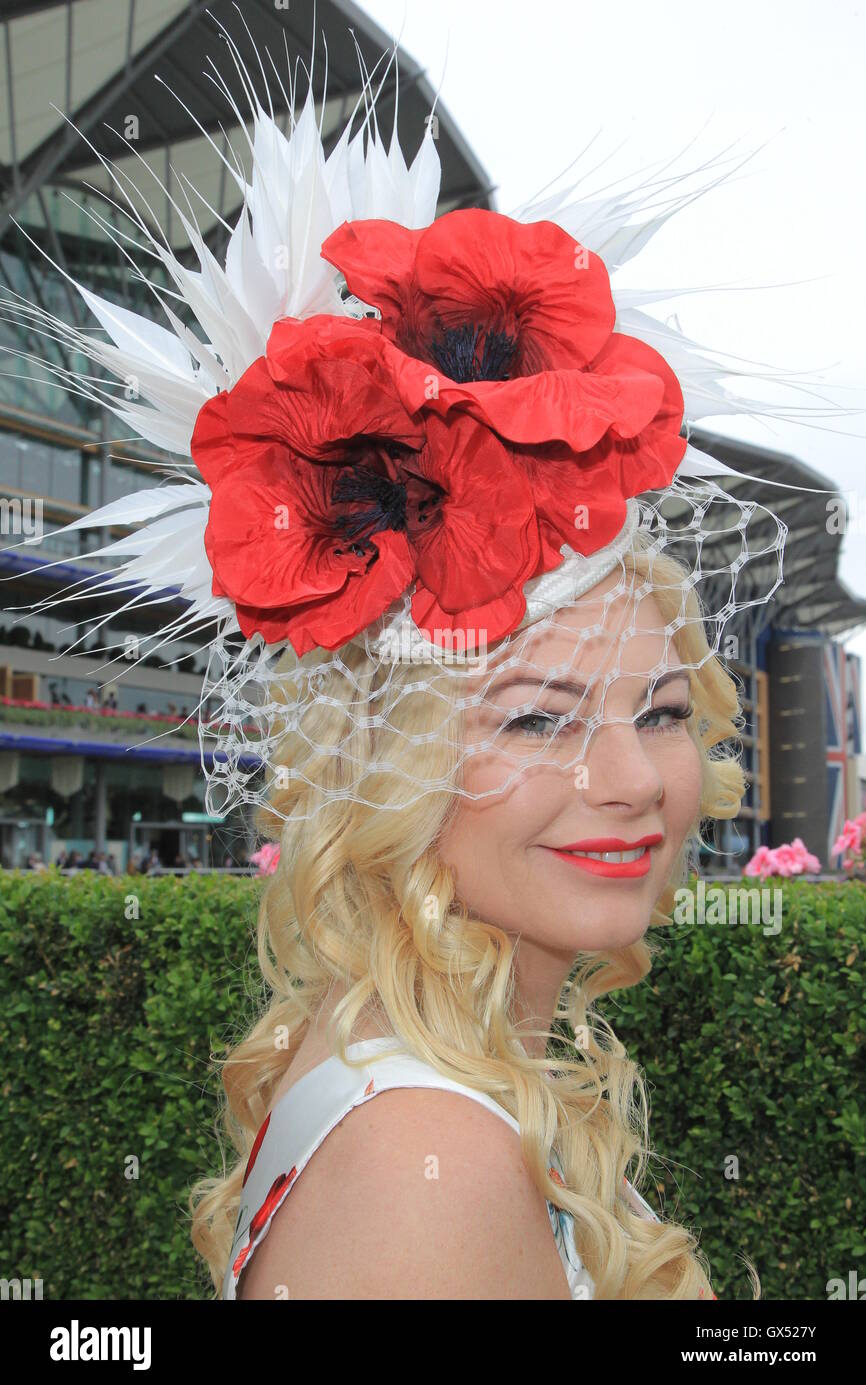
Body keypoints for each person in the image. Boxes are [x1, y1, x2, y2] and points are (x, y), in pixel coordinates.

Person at [2, 25, 836, 1302]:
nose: (628, 778)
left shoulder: (419, 1063)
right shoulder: (426, 1156)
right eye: (538, 720)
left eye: (660, 709)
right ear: (385, 761)